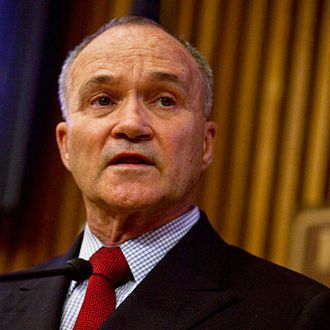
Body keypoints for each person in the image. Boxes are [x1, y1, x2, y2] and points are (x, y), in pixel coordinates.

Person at [0, 16, 329, 330]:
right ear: (66, 144)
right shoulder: (6, 299)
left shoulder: (294, 313)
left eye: (165, 101)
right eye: (102, 100)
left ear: (205, 143)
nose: (131, 124)